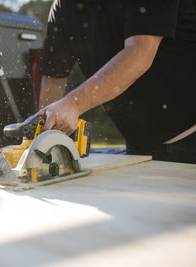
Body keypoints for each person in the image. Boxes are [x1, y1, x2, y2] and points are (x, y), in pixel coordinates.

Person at [37, 0, 196, 163]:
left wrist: (73, 104)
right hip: (140, 144)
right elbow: (53, 78)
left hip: (191, 134)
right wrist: (45, 134)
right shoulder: (64, 6)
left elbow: (140, 53)